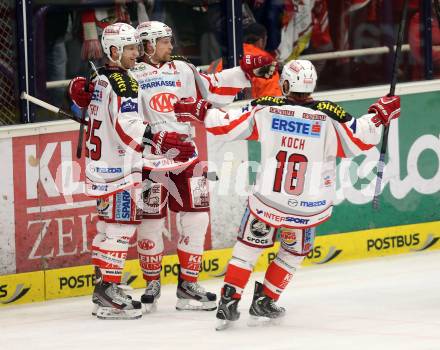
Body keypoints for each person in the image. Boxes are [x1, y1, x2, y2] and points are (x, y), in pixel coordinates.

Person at [173, 59, 401, 329]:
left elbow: (226, 124)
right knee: (293, 252)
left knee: (246, 250)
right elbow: (361, 138)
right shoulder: (330, 114)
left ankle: (229, 302)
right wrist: (379, 114)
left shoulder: (267, 107)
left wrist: (202, 110)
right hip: (306, 207)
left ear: (285, 84)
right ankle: (266, 299)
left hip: (268, 202)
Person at [130, 20, 277, 313]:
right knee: (151, 223)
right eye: (164, 42)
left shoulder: (183, 69)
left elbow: (213, 86)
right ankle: (151, 282)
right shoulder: (130, 75)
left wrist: (245, 71)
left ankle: (188, 286)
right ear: (147, 45)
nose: (171, 47)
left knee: (197, 221)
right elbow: (123, 119)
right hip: (149, 161)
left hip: (188, 157)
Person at [68, 22, 195, 320]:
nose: (135, 54)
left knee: (106, 229)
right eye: (129, 49)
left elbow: (90, 110)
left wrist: (75, 95)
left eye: (136, 47)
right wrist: (158, 137)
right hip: (118, 170)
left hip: (100, 168)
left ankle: (103, 286)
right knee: (120, 230)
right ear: (113, 50)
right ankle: (108, 290)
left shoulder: (101, 78)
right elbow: (128, 128)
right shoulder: (125, 83)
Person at [207, 22, 282, 98]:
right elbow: (272, 97)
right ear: (261, 41)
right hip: (250, 107)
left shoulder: (225, 59)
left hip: (220, 106)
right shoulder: (266, 61)